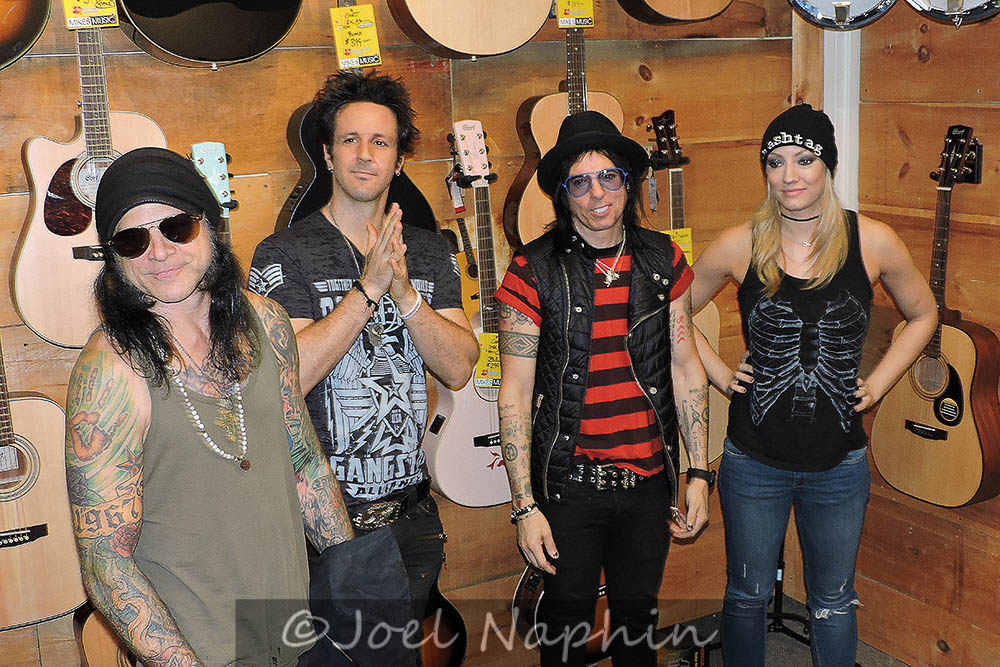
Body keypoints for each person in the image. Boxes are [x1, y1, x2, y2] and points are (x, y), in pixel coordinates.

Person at [65, 147, 355, 666]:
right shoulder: (111, 371)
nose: (158, 252)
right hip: (197, 649)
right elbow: (106, 559)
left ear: (211, 227)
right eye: (133, 239)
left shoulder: (266, 322)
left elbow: (305, 465)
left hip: (293, 634)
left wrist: (359, 598)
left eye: (176, 227)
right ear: (113, 259)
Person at [690, 104, 938, 666]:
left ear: (827, 164)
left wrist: (876, 385)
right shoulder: (740, 243)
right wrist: (721, 372)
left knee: (832, 601)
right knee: (747, 596)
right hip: (754, 460)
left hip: (839, 463)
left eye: (804, 160)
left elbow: (924, 314)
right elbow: (674, 309)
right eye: (776, 162)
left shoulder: (873, 241)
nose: (790, 175)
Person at [248, 69, 480, 660]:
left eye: (381, 141)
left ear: (399, 159)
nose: (364, 154)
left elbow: (458, 366)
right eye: (349, 139)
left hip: (414, 520)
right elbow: (288, 378)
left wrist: (404, 294)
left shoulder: (428, 251)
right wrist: (368, 290)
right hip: (329, 529)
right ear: (326, 154)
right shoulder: (285, 254)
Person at [495, 110, 712, 666]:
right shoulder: (532, 270)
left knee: (637, 626)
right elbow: (515, 394)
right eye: (580, 182)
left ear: (628, 183)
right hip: (569, 487)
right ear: (563, 195)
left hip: (647, 483)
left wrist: (699, 474)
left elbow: (686, 367)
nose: (597, 194)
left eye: (609, 177)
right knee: (564, 633)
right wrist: (525, 507)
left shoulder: (663, 260)